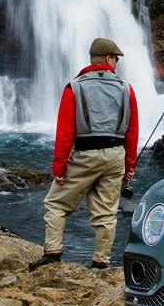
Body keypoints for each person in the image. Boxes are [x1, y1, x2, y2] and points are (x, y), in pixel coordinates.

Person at [34, 37, 139, 270]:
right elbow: (132, 132)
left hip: (84, 155)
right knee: (106, 213)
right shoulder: (126, 89)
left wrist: (59, 167)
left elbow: (64, 132)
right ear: (109, 59)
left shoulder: (74, 87)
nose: (117, 64)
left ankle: (52, 253)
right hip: (115, 156)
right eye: (117, 59)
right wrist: (129, 167)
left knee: (55, 204)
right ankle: (101, 262)